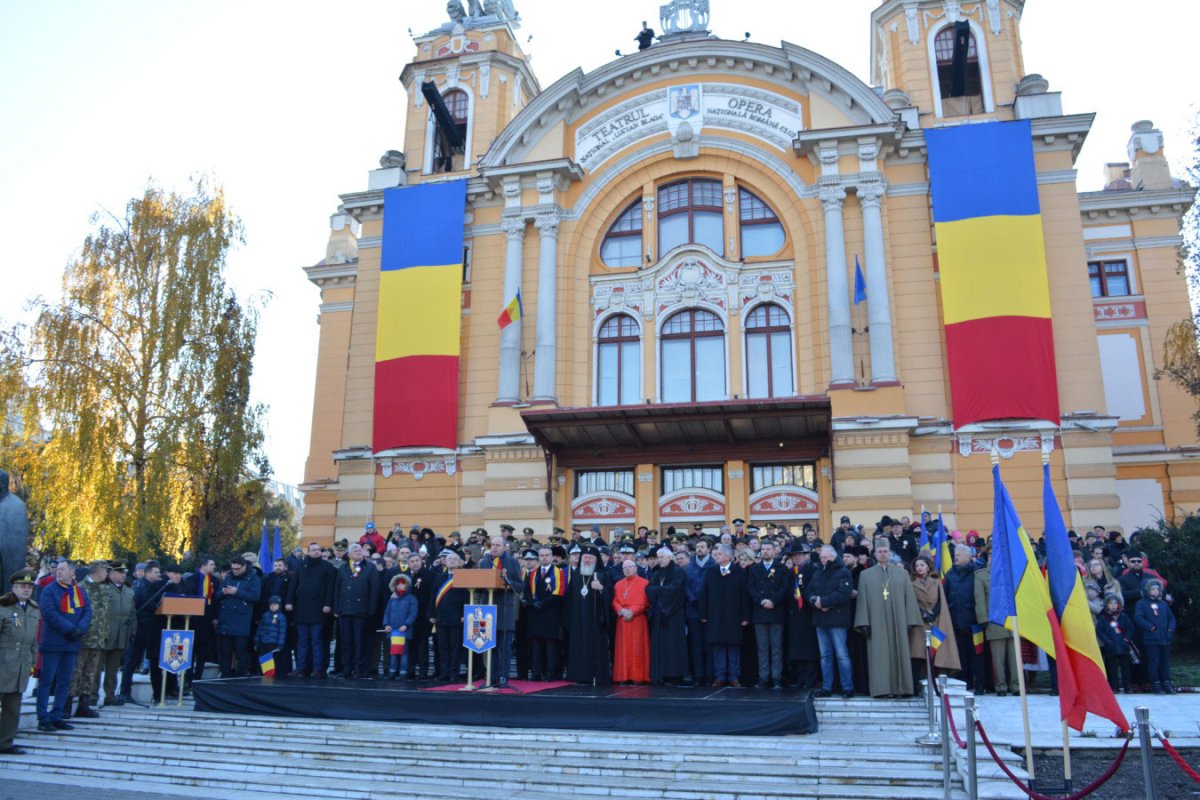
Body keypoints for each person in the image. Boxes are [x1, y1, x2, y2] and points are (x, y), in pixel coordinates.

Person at [854, 538, 923, 698]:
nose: (883, 554)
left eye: (885, 551)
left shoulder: (902, 574)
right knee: (879, 654)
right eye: (880, 551)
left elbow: (909, 599)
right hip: (876, 622)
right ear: (875, 553)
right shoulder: (866, 575)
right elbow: (862, 600)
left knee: (900, 652)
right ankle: (881, 689)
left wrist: (910, 620)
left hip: (899, 621)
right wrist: (863, 622)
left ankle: (902, 688)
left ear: (890, 553)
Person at [37, 559, 93, 731]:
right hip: (54, 642)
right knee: (47, 681)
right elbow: (50, 614)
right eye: (57, 569)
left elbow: (87, 612)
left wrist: (81, 628)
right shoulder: (49, 591)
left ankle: (57, 715)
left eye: (62, 569)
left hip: (72, 643)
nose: (58, 572)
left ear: (72, 572)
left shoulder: (79, 591)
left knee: (65, 681)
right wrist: (70, 629)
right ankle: (43, 717)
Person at [806, 545, 855, 699]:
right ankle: (827, 687)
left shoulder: (843, 572)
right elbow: (808, 592)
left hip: (837, 620)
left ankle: (847, 687)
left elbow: (844, 594)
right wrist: (815, 602)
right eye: (821, 557)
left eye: (825, 557)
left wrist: (824, 603)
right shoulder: (817, 573)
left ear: (833, 556)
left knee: (842, 655)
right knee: (825, 655)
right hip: (821, 620)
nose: (822, 560)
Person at [0, 569, 39, 754]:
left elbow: (32, 641)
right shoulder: (3, 607)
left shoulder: (33, 609)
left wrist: (32, 661)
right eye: (22, 586)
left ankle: (5, 742)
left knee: (12, 708)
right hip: (2, 663)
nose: (26, 590)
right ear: (14, 588)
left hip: (20, 665)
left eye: (29, 586)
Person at [477, 536, 524, 687]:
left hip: (505, 608)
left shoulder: (512, 562)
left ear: (505, 547)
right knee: (490, 646)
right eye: (493, 545)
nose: (495, 547)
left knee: (505, 647)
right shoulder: (484, 562)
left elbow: (520, 585)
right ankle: (491, 677)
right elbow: (478, 585)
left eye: (498, 545)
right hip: (488, 609)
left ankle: (504, 676)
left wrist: (508, 585)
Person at [701, 543, 748, 687]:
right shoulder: (711, 571)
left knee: (733, 646)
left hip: (734, 616)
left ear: (728, 556)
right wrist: (703, 613)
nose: (716, 555)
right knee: (718, 646)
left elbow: (744, 595)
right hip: (715, 616)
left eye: (719, 553)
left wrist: (745, 616)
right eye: (715, 553)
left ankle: (734, 676)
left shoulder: (739, 572)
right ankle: (720, 676)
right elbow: (704, 593)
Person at [286, 542, 336, 677]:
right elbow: (294, 585)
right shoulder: (301, 565)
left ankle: (318, 669)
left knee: (317, 641)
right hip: (301, 609)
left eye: (318, 549)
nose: (317, 552)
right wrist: (289, 601)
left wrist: (328, 604)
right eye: (313, 550)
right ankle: (301, 668)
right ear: (308, 552)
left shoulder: (327, 567)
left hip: (319, 610)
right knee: (302, 641)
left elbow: (331, 588)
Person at [68, 560, 111, 718]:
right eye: (105, 570)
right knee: (75, 672)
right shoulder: (80, 588)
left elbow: (105, 615)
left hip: (98, 639)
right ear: (98, 570)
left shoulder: (104, 589)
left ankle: (84, 704)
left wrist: (105, 635)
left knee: (91, 673)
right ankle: (67, 705)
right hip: (83, 638)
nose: (107, 574)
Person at [910, 554, 960, 687]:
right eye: (917, 566)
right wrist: (922, 613)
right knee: (918, 653)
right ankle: (917, 685)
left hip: (935, 621)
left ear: (928, 567)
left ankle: (935, 682)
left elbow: (941, 601)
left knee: (936, 652)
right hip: (919, 622)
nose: (919, 568)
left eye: (922, 565)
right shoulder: (911, 583)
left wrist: (933, 614)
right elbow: (911, 602)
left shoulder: (936, 581)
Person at [564, 545, 611, 685]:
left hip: (595, 621)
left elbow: (611, 595)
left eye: (591, 558)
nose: (588, 560)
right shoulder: (576, 575)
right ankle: (578, 675)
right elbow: (569, 599)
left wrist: (601, 589)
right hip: (578, 620)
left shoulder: (602, 575)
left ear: (596, 560)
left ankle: (596, 675)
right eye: (585, 557)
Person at [334, 544, 380, 680]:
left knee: (360, 642)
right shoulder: (342, 567)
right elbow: (337, 589)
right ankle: (346, 669)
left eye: (360, 550)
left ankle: (359, 670)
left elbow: (375, 589)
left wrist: (371, 609)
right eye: (355, 550)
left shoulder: (370, 567)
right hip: (345, 611)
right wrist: (337, 608)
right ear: (348, 554)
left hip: (362, 611)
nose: (359, 552)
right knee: (346, 642)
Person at [974, 551, 1016, 697]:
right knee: (998, 658)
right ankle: (1001, 686)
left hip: (1012, 621)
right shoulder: (981, 576)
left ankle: (1016, 686)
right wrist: (983, 619)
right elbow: (979, 600)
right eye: (991, 555)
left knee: (1015, 657)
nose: (994, 557)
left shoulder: (1011, 572)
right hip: (995, 621)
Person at [747, 539, 789, 689]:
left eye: (768, 549)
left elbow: (785, 588)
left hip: (776, 611)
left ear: (774, 551)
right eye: (763, 549)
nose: (765, 551)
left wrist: (773, 600)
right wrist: (761, 600)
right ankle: (763, 678)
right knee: (762, 648)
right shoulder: (754, 569)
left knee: (776, 647)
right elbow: (750, 588)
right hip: (760, 611)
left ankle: (776, 677)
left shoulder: (782, 568)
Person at [646, 547, 687, 685]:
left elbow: (674, 589)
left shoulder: (678, 571)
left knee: (673, 646)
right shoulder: (657, 573)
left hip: (673, 614)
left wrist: (658, 590)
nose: (659, 560)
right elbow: (649, 589)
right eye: (658, 557)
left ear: (670, 557)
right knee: (660, 646)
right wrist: (659, 590)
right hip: (659, 615)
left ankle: (674, 676)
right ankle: (661, 674)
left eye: (661, 557)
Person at [525, 547, 566, 681]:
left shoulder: (558, 572)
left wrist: (542, 603)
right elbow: (527, 592)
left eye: (546, 555)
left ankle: (550, 673)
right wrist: (532, 603)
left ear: (551, 556)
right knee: (535, 647)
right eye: (541, 555)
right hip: (535, 615)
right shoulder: (533, 573)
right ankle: (536, 673)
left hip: (550, 614)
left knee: (550, 647)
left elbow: (559, 592)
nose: (544, 557)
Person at [180, 555, 221, 688]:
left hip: (207, 619)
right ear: (203, 566)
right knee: (191, 650)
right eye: (211, 564)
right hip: (193, 619)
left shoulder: (214, 580)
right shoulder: (192, 579)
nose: (214, 567)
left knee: (203, 650)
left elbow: (215, 601)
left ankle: (198, 678)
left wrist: (215, 617)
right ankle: (188, 679)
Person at [217, 556, 261, 678]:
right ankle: (224, 674)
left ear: (244, 566)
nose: (235, 571)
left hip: (241, 620)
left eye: (237, 569)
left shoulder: (253, 578)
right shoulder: (229, 576)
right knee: (224, 651)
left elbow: (255, 596)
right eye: (233, 568)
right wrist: (223, 592)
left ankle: (241, 675)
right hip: (226, 619)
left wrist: (237, 592)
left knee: (241, 651)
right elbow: (217, 594)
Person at [943, 546, 980, 690]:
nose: (955, 557)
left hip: (975, 621)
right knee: (961, 654)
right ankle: (964, 682)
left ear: (969, 556)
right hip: (956, 621)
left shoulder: (977, 572)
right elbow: (945, 597)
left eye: (958, 555)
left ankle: (979, 684)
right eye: (954, 555)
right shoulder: (950, 574)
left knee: (977, 655)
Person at [99, 562, 135, 705]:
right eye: (120, 572)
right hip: (106, 630)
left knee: (113, 668)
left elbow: (133, 613)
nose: (123, 575)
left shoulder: (129, 590)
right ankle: (92, 695)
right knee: (97, 667)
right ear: (111, 574)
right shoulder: (104, 588)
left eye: (124, 573)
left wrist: (133, 631)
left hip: (122, 632)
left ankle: (110, 695)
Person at [1134, 578, 1176, 694]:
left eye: (1158, 589)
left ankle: (1167, 683)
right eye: (1153, 589)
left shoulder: (1163, 604)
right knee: (1154, 662)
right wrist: (1151, 628)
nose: (1156, 591)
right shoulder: (1142, 603)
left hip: (1165, 638)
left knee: (1165, 662)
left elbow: (1171, 618)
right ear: (1147, 590)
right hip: (1151, 639)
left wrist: (1170, 629)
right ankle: (1155, 684)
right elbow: (1138, 618)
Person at [683, 538, 715, 685]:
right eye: (698, 547)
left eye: (702, 546)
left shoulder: (714, 565)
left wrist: (706, 602)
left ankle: (709, 676)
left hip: (710, 612)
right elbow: (685, 587)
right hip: (693, 611)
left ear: (709, 549)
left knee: (709, 644)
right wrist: (693, 600)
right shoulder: (688, 567)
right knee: (696, 645)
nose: (700, 549)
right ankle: (697, 675)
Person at [611, 559, 649, 684]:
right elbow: (615, 601)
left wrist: (632, 611)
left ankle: (638, 677)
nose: (627, 569)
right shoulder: (618, 584)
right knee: (623, 650)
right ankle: (623, 676)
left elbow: (644, 602)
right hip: (622, 620)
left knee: (637, 648)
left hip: (637, 620)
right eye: (624, 568)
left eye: (630, 567)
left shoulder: (644, 583)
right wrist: (621, 610)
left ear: (636, 568)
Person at [432, 551, 468, 682]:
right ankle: (444, 673)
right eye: (449, 559)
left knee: (455, 648)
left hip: (457, 618)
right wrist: (431, 614)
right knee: (443, 648)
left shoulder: (463, 577)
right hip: (441, 617)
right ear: (445, 562)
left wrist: (465, 614)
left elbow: (467, 597)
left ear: (459, 562)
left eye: (455, 559)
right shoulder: (439, 577)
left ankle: (454, 673)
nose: (452, 561)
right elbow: (433, 596)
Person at [1095, 593, 1134, 694]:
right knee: (1112, 668)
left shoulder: (1123, 616)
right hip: (1110, 646)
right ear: (1106, 605)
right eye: (1110, 603)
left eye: (1115, 603)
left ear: (1119, 605)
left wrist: (1126, 640)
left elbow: (1130, 628)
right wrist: (1107, 641)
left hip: (1123, 645)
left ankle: (1127, 687)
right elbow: (1099, 630)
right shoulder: (1103, 618)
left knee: (1125, 668)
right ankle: (1114, 687)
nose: (1113, 605)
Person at [383, 574, 417, 680]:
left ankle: (403, 672)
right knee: (393, 652)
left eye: (403, 584)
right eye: (398, 585)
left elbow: (413, 613)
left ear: (407, 586)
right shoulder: (392, 599)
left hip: (404, 630)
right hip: (393, 630)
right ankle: (393, 671)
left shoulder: (411, 598)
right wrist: (386, 624)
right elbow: (387, 612)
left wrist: (406, 624)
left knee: (404, 652)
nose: (400, 586)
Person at [254, 596, 288, 673]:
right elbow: (260, 629)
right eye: (271, 605)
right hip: (264, 641)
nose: (273, 606)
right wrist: (256, 640)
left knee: (273, 659)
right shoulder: (265, 615)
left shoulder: (281, 617)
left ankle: (272, 674)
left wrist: (280, 644)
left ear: (279, 606)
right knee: (264, 658)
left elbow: (282, 632)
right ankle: (265, 673)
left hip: (273, 643)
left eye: (275, 605)